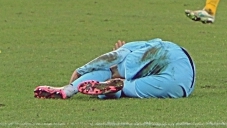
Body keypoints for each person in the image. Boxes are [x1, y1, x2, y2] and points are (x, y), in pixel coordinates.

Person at [34, 39, 195, 100]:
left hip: (163, 56)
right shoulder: (153, 44)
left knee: (112, 69)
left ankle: (69, 89)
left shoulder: (132, 49)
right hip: (182, 85)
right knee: (124, 85)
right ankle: (112, 88)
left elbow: (113, 57)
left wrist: (80, 71)